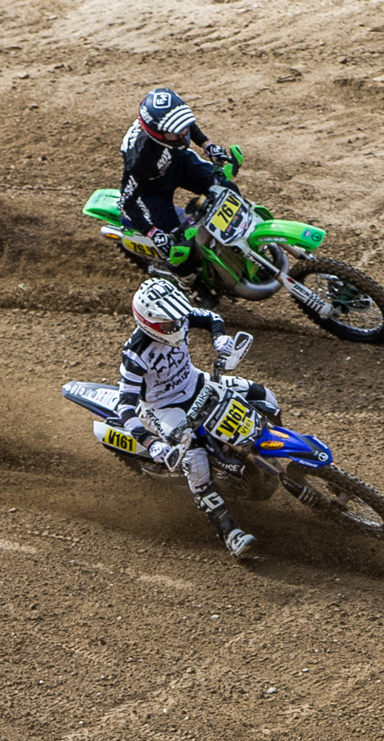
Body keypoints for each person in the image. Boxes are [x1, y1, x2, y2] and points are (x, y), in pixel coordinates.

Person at [113, 279, 269, 558]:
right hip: (163, 408)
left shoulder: (178, 316)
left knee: (264, 396)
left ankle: (268, 450)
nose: (176, 326)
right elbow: (124, 406)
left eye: (177, 320)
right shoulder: (135, 354)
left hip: (197, 382)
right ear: (149, 323)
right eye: (168, 325)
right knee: (195, 460)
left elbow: (210, 316)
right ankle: (229, 531)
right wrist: (152, 444)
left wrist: (219, 338)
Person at [118, 88, 233, 272]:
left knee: (227, 189)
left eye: (182, 128)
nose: (182, 135)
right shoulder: (139, 159)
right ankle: (188, 282)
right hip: (153, 190)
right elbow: (126, 202)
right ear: (157, 133)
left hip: (180, 163)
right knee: (178, 249)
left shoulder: (173, 127)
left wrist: (207, 145)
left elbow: (186, 125)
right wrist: (153, 233)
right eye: (174, 133)